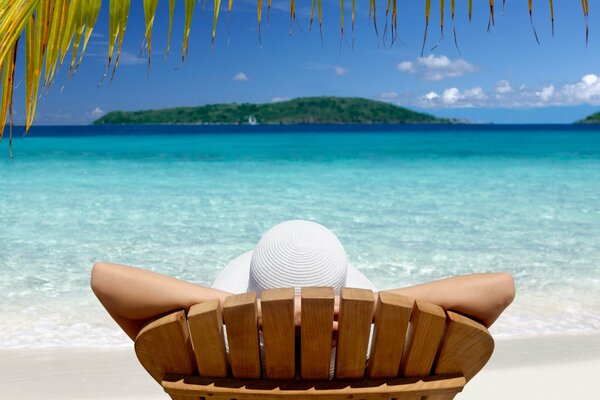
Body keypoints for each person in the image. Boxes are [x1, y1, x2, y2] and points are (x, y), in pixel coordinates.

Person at [91, 220, 515, 341]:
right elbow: (500, 288)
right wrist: (356, 309)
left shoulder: (204, 367)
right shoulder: (387, 369)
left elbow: (105, 279)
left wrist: (250, 311)